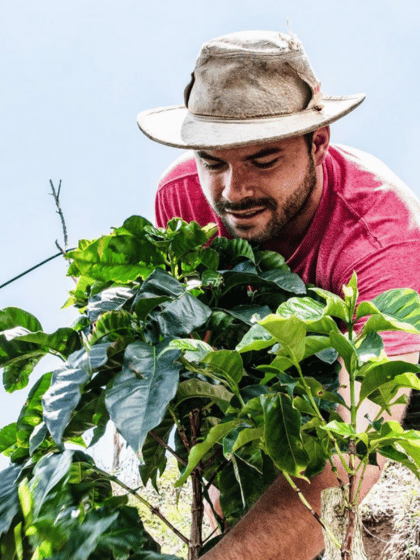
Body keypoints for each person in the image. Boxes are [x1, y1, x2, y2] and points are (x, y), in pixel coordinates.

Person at [137, 30, 420, 559]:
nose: (233, 192)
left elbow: (358, 449)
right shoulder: (181, 198)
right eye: (213, 162)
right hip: (263, 383)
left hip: (372, 400)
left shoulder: (382, 237)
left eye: (262, 161)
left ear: (319, 142)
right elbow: (199, 366)